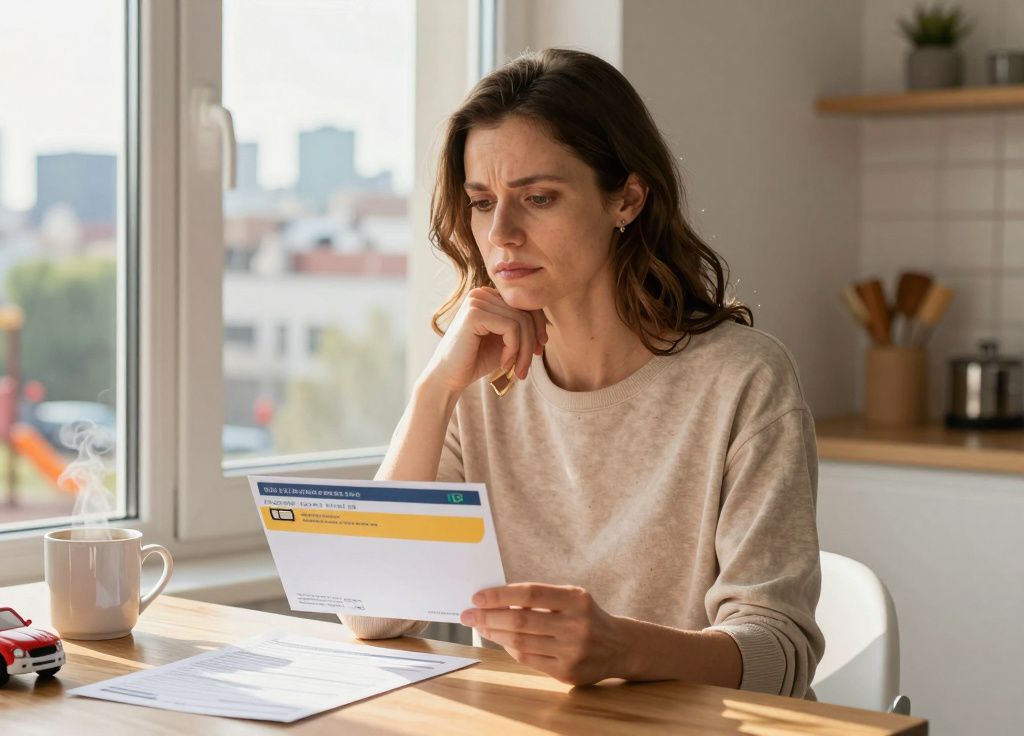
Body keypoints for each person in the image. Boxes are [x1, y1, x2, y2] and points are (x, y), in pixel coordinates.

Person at [339, 48, 824, 698]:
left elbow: (779, 656)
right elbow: (372, 612)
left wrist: (620, 649)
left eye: (538, 197)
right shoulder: (480, 384)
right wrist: (435, 392)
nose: (502, 233)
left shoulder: (745, 380)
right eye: (482, 202)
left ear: (626, 198)